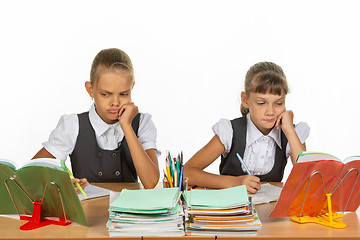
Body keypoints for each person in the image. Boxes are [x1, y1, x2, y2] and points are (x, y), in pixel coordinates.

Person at [33, 48, 160, 189]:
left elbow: (151, 182)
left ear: (132, 88)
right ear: (90, 90)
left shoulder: (142, 123)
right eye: (105, 94)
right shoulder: (73, 125)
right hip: (87, 210)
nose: (115, 102)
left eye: (124, 94)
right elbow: (32, 174)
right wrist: (63, 184)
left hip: (130, 211)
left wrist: (127, 126)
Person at [183, 61, 309, 193]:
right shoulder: (230, 132)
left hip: (268, 211)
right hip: (231, 210)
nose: (270, 111)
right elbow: (187, 172)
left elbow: (308, 177)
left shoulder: (291, 134)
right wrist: (234, 182)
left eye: (278, 103)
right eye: (261, 103)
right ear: (245, 100)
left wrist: (289, 131)